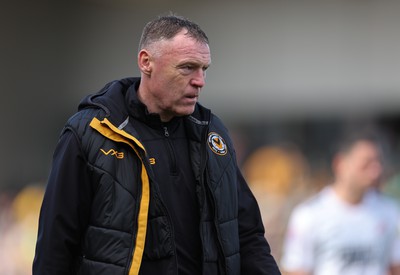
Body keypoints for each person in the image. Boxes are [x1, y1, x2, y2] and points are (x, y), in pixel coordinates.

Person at [32, 14, 281, 275]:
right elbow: (55, 245)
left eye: (203, 69)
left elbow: (247, 236)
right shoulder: (91, 133)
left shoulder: (212, 133)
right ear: (146, 62)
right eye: (187, 67)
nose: (200, 81)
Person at [281, 130, 400, 275]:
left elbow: (395, 266)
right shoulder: (309, 214)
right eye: (366, 163)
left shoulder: (389, 211)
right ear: (340, 163)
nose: (376, 171)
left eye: (378, 162)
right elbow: (296, 269)